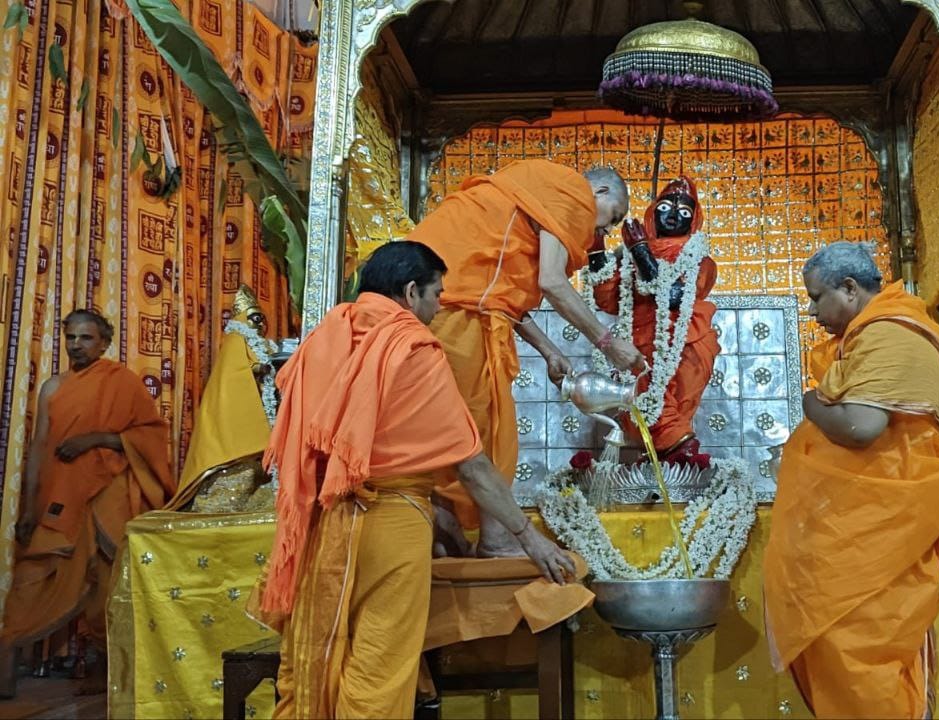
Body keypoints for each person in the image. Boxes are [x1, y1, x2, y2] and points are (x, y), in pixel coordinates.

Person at [256, 241, 576, 719]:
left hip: (324, 527)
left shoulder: (326, 337)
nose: (439, 307)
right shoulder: (412, 347)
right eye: (436, 295)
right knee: (380, 667)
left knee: (322, 657)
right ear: (410, 292)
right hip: (391, 526)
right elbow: (471, 465)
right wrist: (530, 539)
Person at [404, 160, 645, 555]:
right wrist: (608, 342)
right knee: (475, 428)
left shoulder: (532, 197)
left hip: (454, 308)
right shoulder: (571, 191)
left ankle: (447, 535)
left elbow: (503, 295)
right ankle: (496, 539)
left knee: (466, 424)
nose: (605, 231)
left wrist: (549, 350)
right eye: (612, 217)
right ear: (598, 193)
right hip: (450, 312)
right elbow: (550, 281)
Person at [763, 242, 939, 718]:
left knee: (863, 642)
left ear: (849, 288)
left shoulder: (892, 335)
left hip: (885, 519)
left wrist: (810, 403)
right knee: (853, 638)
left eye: (816, 298)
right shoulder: (877, 333)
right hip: (869, 516)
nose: (811, 312)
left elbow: (861, 428)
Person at [0, 310, 173, 694]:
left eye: (86, 338)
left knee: (108, 583)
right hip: (61, 494)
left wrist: (95, 439)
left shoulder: (122, 383)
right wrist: (30, 507)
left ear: (104, 343)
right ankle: (7, 660)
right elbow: (39, 449)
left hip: (109, 494)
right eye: (71, 338)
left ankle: (107, 670)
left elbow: (148, 437)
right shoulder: (53, 387)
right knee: (34, 574)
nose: (76, 345)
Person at [587, 176, 718, 464]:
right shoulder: (630, 254)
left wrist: (641, 251)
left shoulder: (699, 258)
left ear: (694, 220)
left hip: (682, 344)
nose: (672, 215)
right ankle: (663, 459)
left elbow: (673, 296)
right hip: (637, 345)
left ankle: (683, 454)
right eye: (665, 207)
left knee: (666, 407)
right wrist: (596, 248)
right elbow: (607, 299)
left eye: (683, 212)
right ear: (652, 211)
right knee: (641, 403)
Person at [168, 285, 276, 512]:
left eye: (261, 319)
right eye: (254, 318)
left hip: (254, 410)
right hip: (236, 416)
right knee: (238, 467)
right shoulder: (237, 340)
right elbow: (239, 370)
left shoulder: (261, 344)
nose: (260, 324)